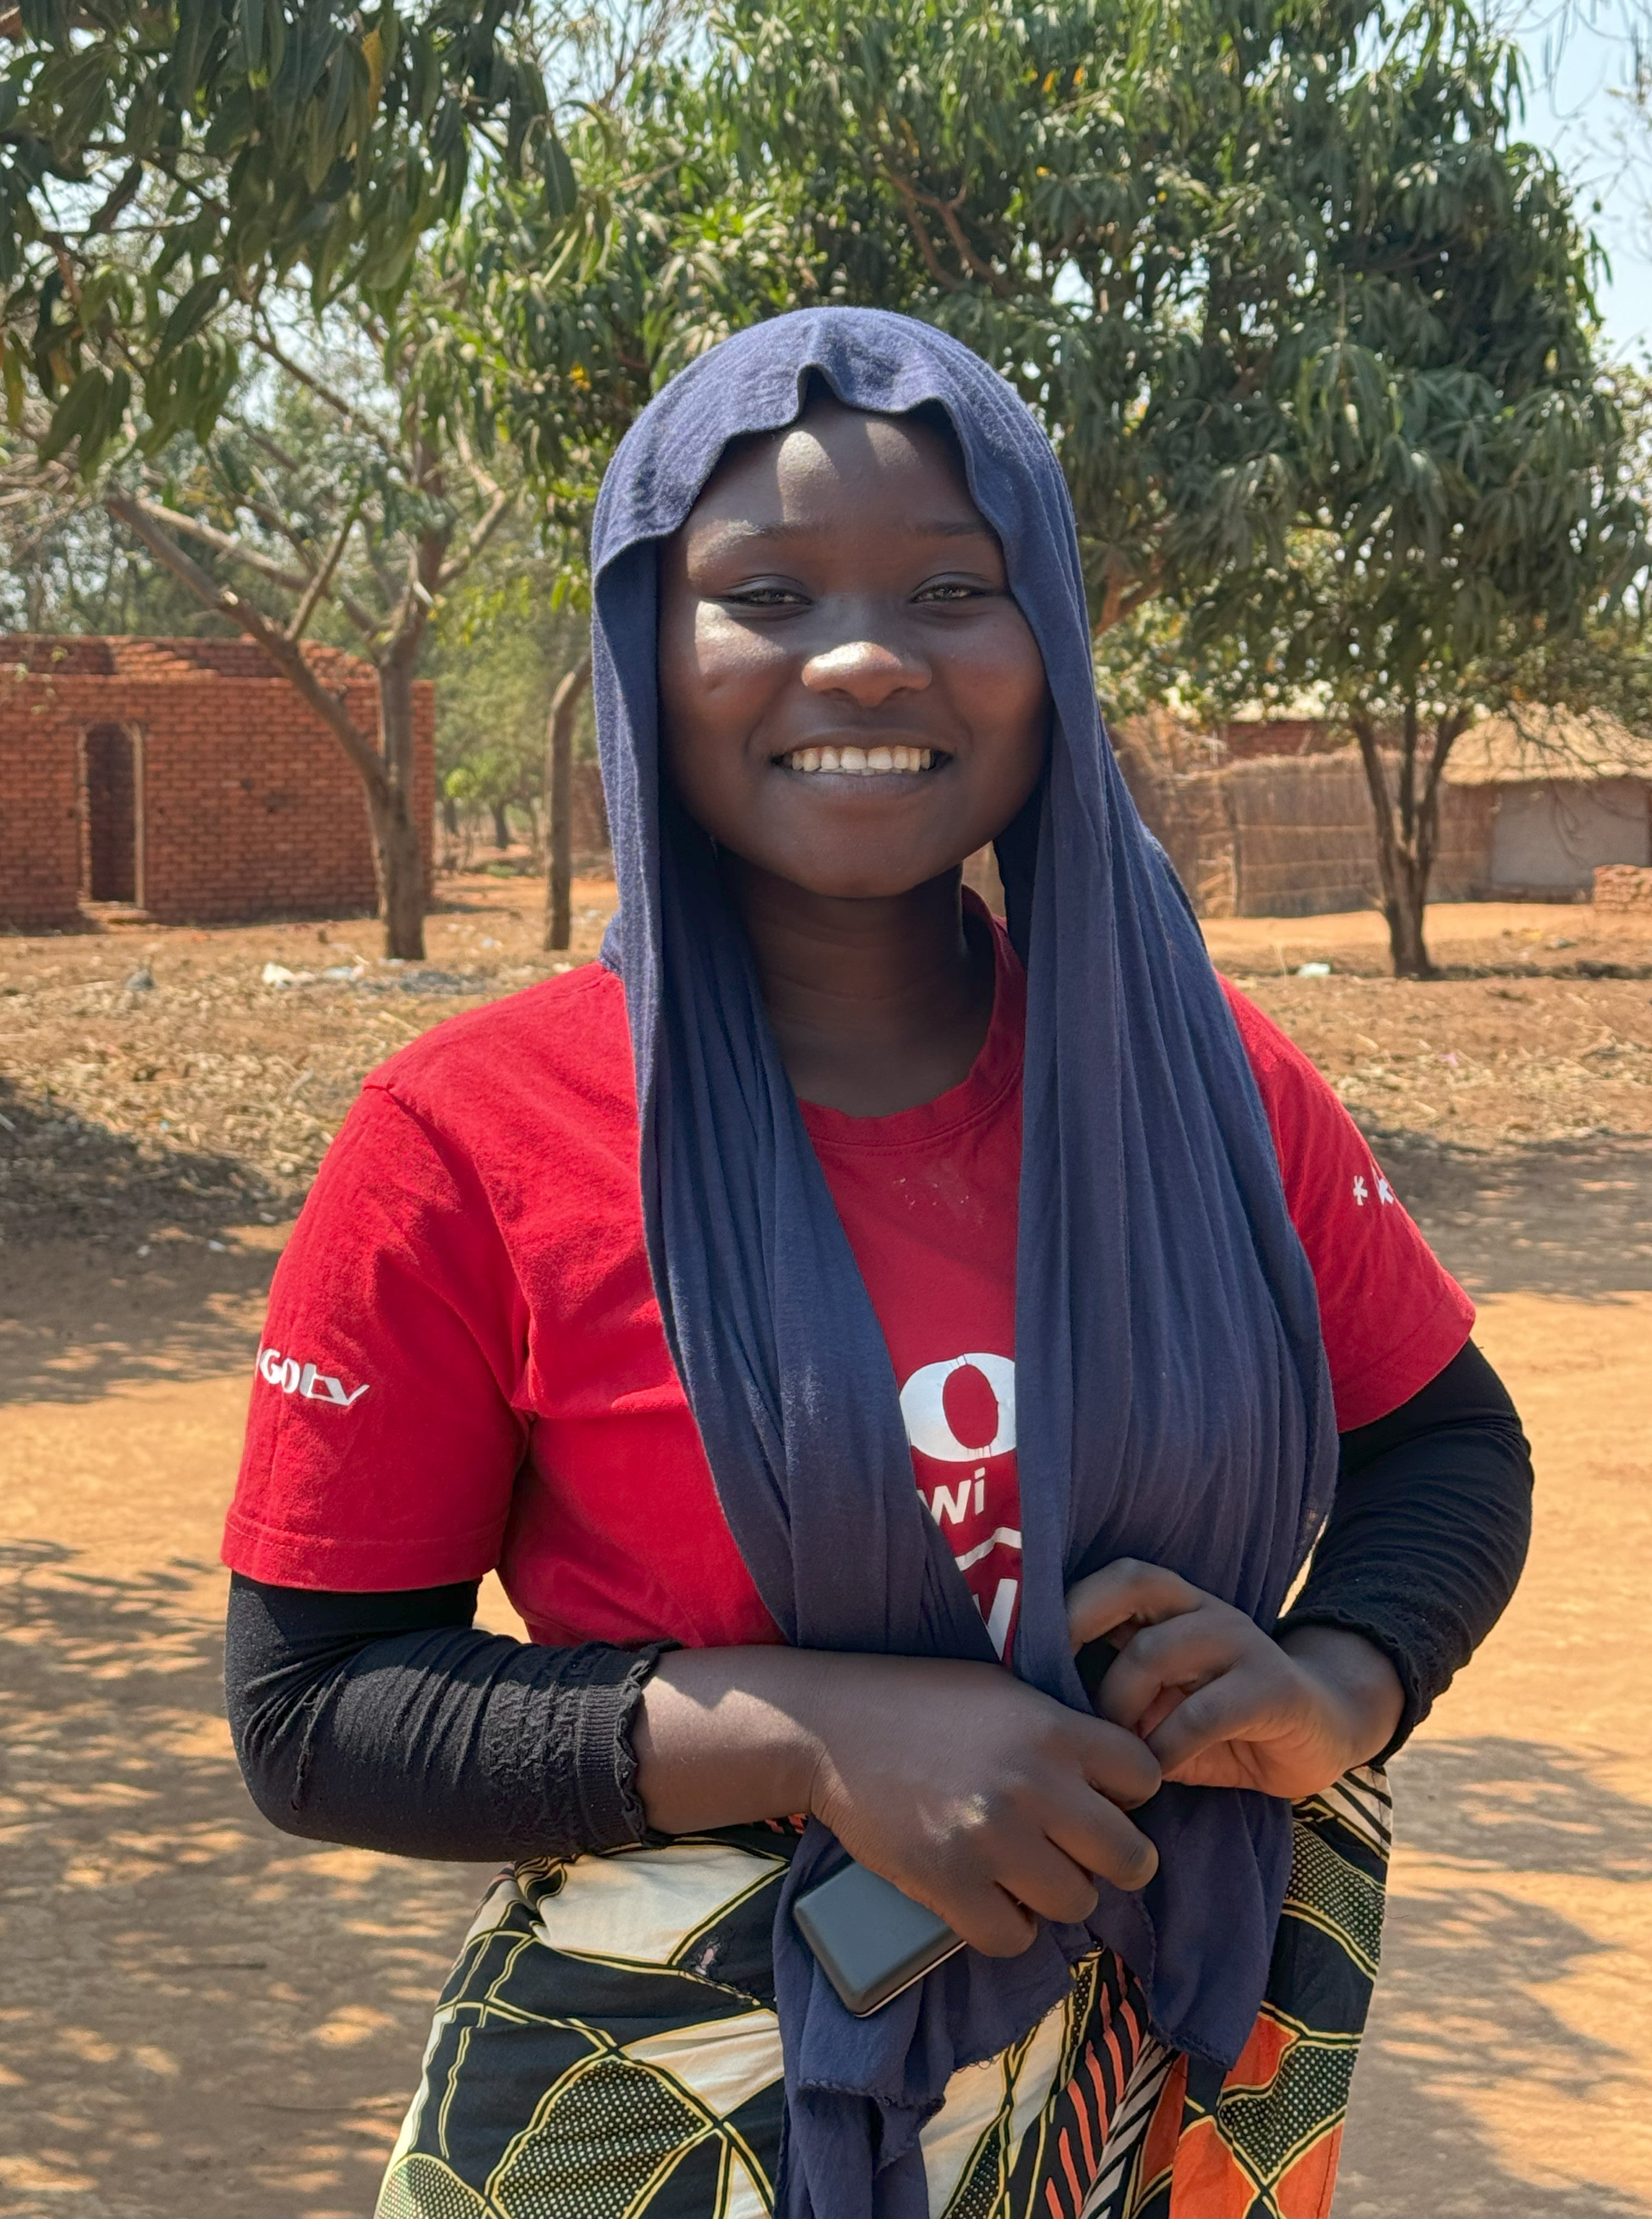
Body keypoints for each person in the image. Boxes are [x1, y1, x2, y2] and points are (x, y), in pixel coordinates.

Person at [223, 310, 1531, 2219]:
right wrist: (816, 1736)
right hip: (701, 2101)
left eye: (952, 586)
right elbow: (316, 1710)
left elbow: (1449, 1449)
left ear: (1049, 653)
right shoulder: (469, 1141)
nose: (859, 654)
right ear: (646, 660)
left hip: (1165, 2067)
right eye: (761, 591)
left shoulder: (1211, 1088)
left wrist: (1345, 1680)